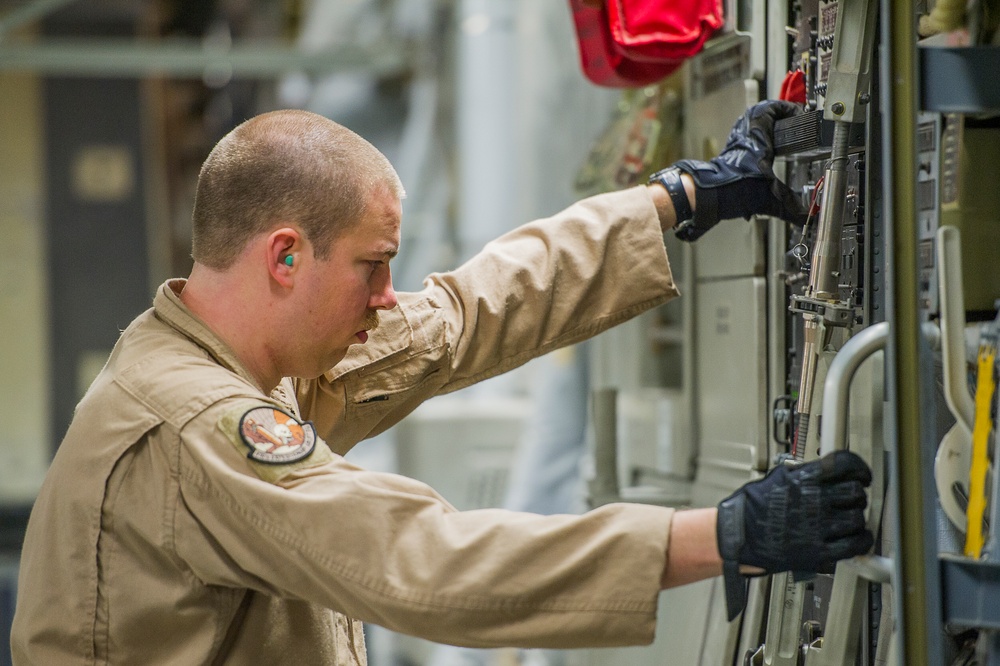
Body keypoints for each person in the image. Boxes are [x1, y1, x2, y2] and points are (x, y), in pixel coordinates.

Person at [11, 100, 872, 665]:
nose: (388, 295)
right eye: (373, 266)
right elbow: (420, 563)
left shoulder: (229, 358)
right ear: (284, 256)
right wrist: (724, 536)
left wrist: (677, 199)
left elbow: (461, 316)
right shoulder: (196, 423)